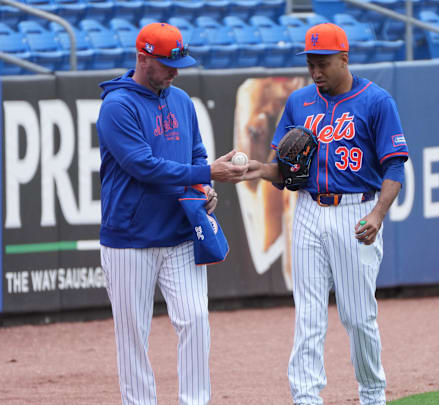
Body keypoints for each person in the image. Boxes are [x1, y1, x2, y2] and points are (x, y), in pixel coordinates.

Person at [239, 23, 409, 405]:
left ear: (344, 59)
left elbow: (395, 167)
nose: (315, 72)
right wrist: (257, 169)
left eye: (323, 64)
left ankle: (371, 394)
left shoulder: (376, 101)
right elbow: (283, 168)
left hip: (357, 211)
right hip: (309, 211)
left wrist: (379, 214)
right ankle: (306, 396)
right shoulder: (299, 102)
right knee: (309, 313)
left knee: (358, 316)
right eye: (311, 64)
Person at [96, 22, 247, 405]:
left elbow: (196, 151)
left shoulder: (180, 99)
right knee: (133, 336)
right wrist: (207, 172)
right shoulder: (117, 106)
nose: (175, 71)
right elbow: (143, 167)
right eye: (167, 63)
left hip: (180, 232)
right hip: (130, 240)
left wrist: (203, 188)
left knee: (195, 320)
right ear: (143, 59)